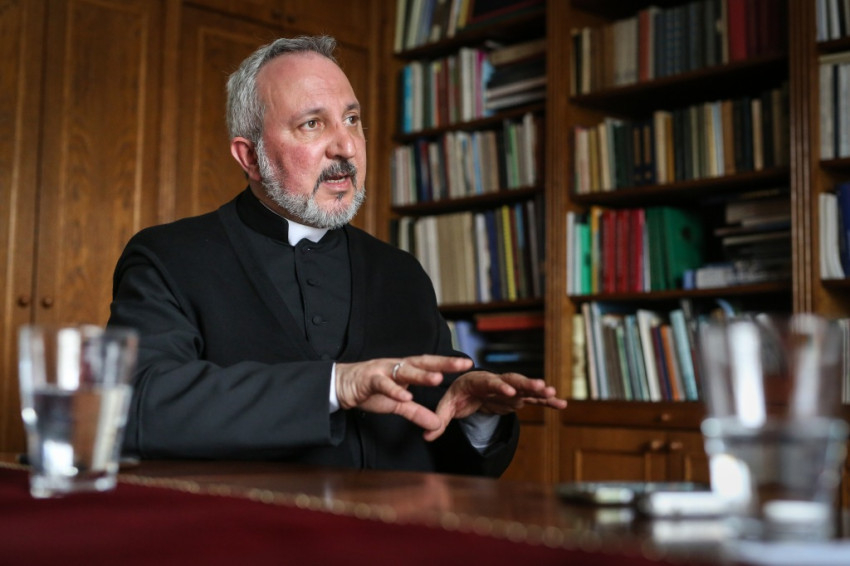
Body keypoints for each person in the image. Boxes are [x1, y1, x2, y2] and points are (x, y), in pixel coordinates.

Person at [108, 35, 567, 477]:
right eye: (312, 124)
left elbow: (444, 456)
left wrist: (477, 418)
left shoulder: (401, 273)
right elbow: (136, 407)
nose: (346, 146)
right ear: (249, 157)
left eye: (351, 119)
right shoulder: (169, 258)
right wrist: (334, 385)